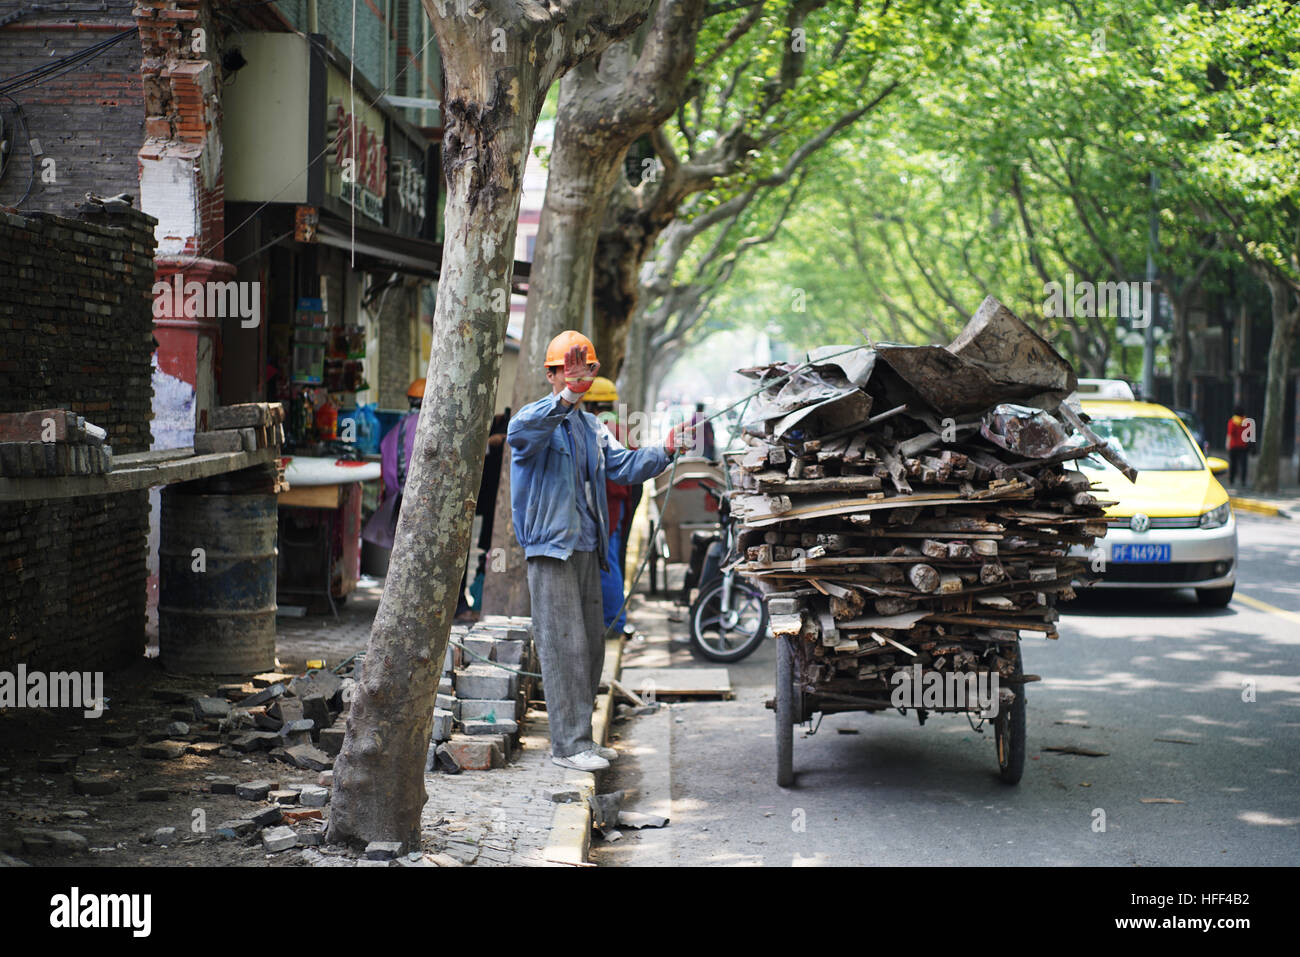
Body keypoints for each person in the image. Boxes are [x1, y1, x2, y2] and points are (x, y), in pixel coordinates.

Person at [508, 331, 691, 771]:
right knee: (562, 647)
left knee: (591, 646)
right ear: (552, 374)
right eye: (569, 370)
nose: (580, 375)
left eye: (587, 368)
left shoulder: (592, 428)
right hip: (552, 551)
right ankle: (567, 747)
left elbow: (624, 467)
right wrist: (567, 395)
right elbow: (524, 435)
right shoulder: (531, 420)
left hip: (588, 547)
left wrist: (664, 451)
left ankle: (582, 740)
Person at [583, 377, 633, 635]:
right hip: (619, 501)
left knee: (607, 561)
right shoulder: (620, 426)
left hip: (606, 503)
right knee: (612, 557)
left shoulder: (598, 427)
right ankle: (614, 619)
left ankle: (613, 621)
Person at [362, 378, 423, 549]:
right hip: (418, 499)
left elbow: (386, 455)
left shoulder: (401, 425)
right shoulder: (426, 426)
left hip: (399, 496)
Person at [1226, 407, 1250, 487]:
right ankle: (1243, 481)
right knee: (1243, 464)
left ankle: (1231, 480)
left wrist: (1227, 444)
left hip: (1234, 446)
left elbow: (1230, 434)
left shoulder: (1232, 422)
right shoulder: (1247, 422)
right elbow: (1249, 434)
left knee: (1233, 464)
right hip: (1243, 446)